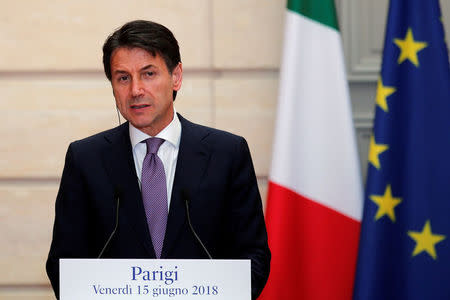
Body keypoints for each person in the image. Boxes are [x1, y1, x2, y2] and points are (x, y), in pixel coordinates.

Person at [46, 20, 270, 299]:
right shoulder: (86, 159)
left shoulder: (227, 153)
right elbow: (63, 264)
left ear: (176, 76)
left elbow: (253, 257)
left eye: (148, 73)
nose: (136, 90)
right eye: (123, 78)